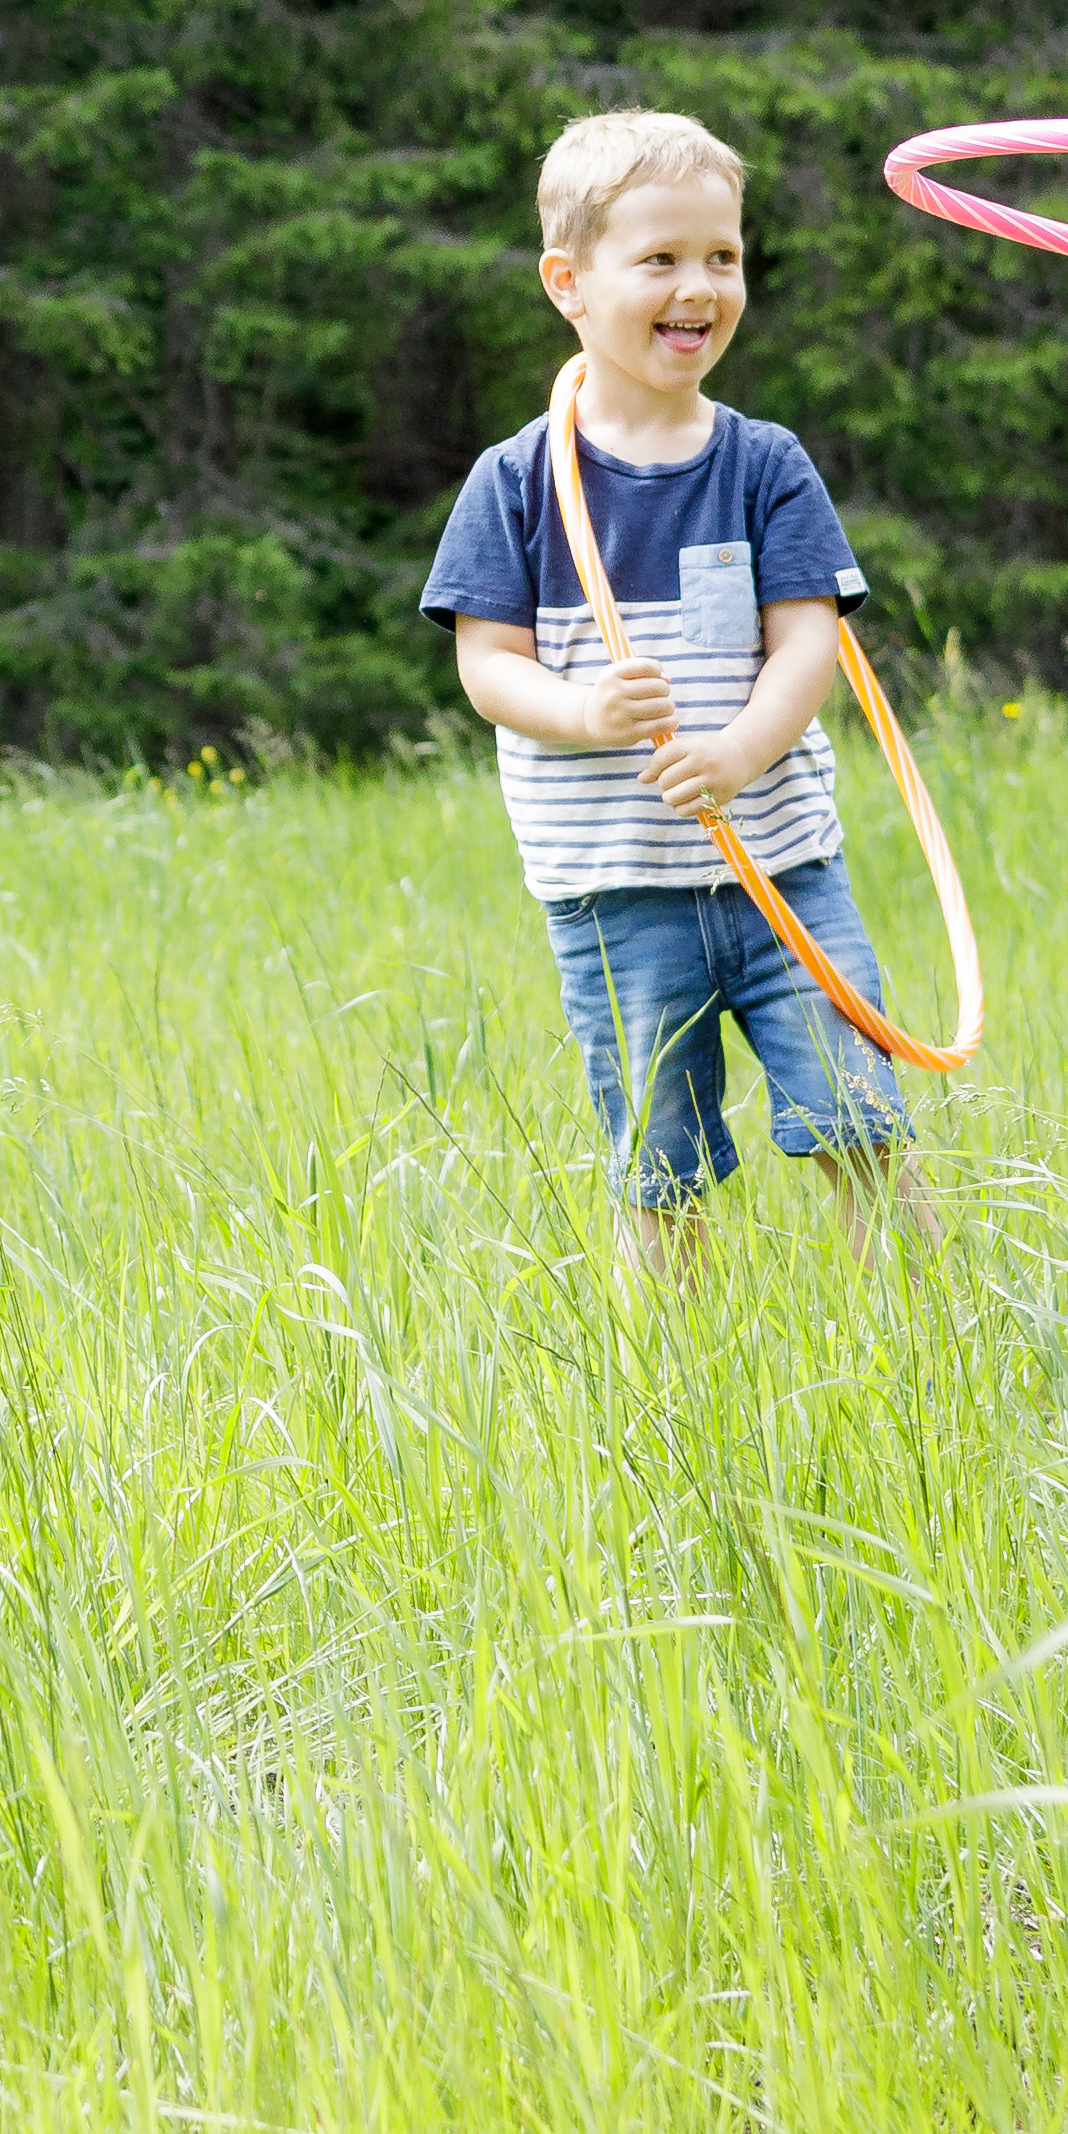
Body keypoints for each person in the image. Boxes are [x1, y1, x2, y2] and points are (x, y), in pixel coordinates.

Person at [420, 108, 908, 1273]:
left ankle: (924, 1336)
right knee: (658, 1163)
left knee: (863, 1121)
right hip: (616, 893)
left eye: (722, 256)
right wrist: (583, 712)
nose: (700, 286)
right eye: (661, 259)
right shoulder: (516, 482)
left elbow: (810, 644)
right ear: (569, 283)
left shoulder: (763, 463)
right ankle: (673, 1361)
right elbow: (486, 665)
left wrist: (740, 750)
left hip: (782, 872)